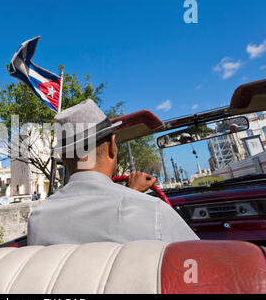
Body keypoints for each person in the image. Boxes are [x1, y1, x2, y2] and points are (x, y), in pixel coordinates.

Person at [27, 99, 199, 246]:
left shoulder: (38, 219)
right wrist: (133, 196)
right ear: (112, 146)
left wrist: (131, 194)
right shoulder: (154, 212)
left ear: (64, 157)